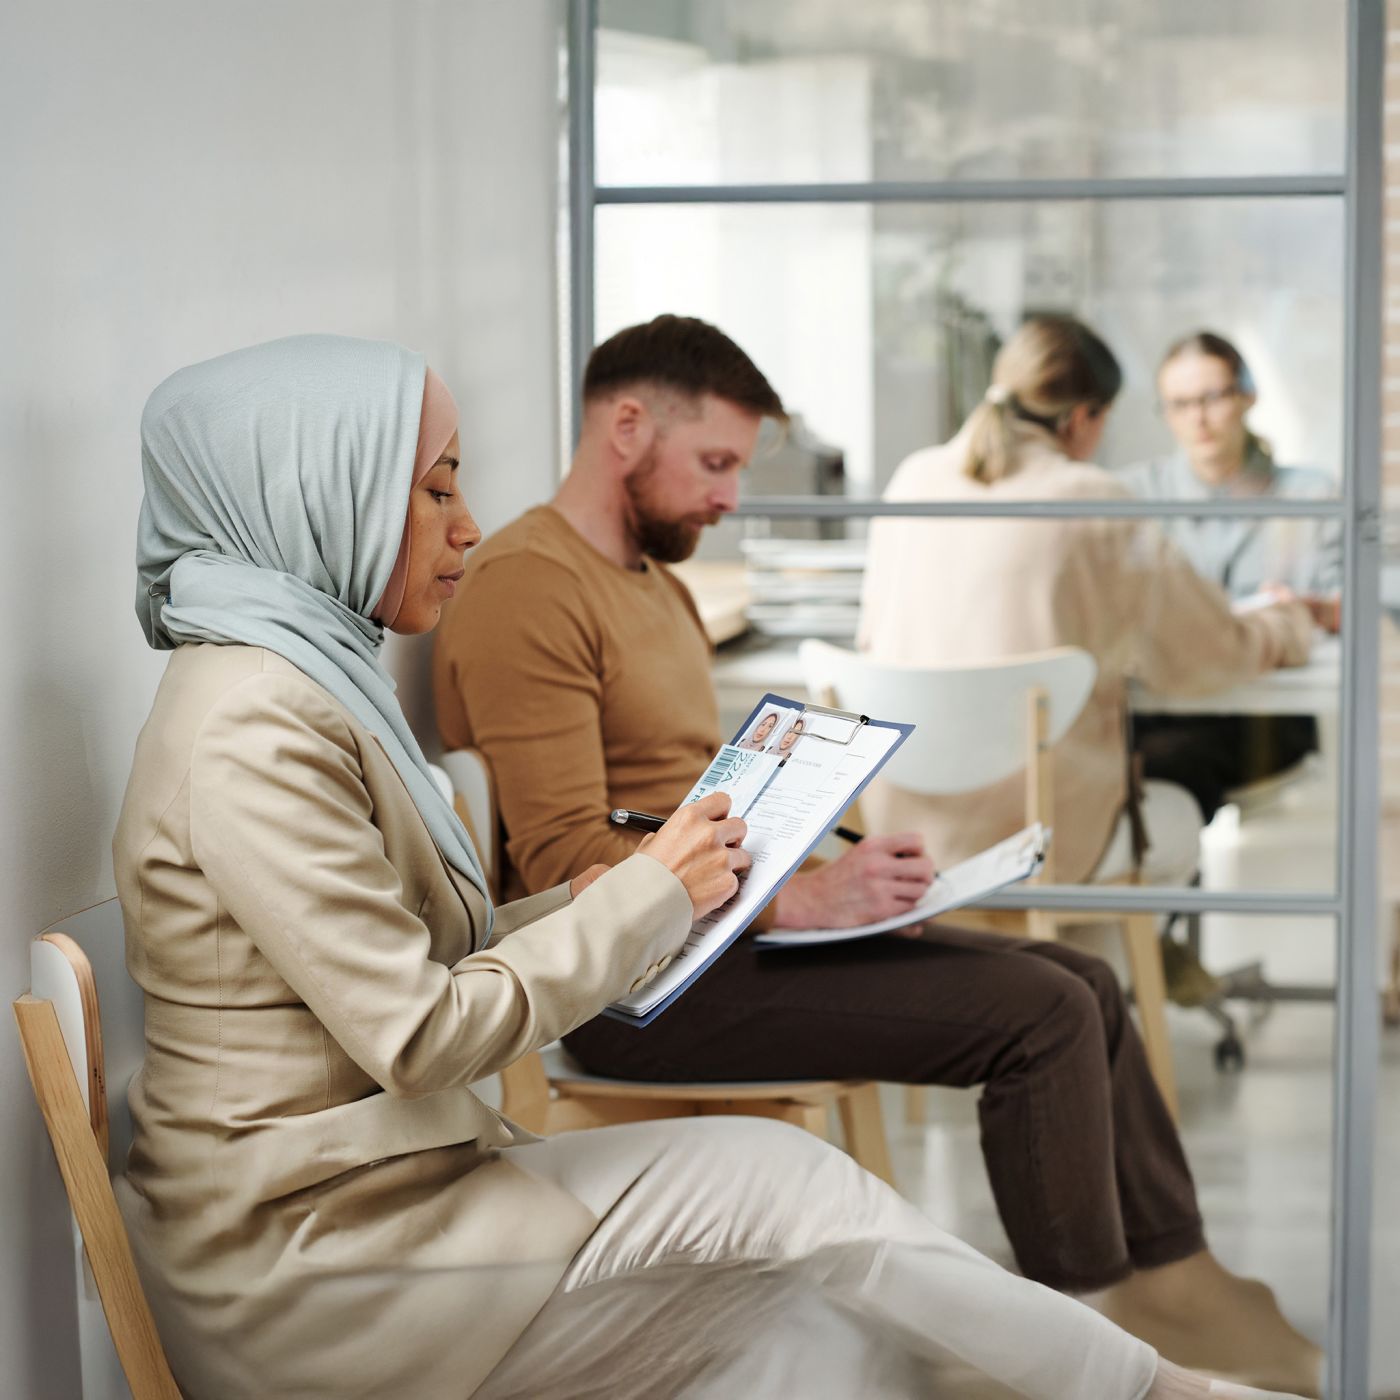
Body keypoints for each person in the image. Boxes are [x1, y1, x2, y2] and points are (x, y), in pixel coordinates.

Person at [112, 332, 1250, 1400]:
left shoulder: (301, 685)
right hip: (319, 1265)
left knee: (805, 1323)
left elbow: (428, 952)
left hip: (390, 1195)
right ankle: (1151, 1386)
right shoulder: (253, 726)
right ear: (319, 490)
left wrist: (660, 879)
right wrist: (660, 887)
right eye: (434, 487)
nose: (463, 527)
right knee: (797, 1195)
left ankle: (1135, 1366)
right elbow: (415, 1031)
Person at [435, 314, 1321, 1394]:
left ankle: (1167, 1271)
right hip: (640, 992)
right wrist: (796, 902)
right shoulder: (530, 585)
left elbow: (669, 801)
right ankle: (1067, 1344)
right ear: (625, 427)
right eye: (713, 463)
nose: (728, 497)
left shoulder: (646, 575)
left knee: (1082, 981)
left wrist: (825, 865)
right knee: (1039, 1019)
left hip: (718, 937)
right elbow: (568, 859)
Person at [1117, 331, 1341, 824]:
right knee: (1134, 761)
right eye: (1179, 404)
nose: (1197, 418)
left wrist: (1309, 608)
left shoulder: (1309, 494)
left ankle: (1172, 888)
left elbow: (1351, 605)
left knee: (1160, 768)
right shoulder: (1134, 494)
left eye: (1212, 398)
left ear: (1246, 395)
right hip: (1163, 704)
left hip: (1264, 719)